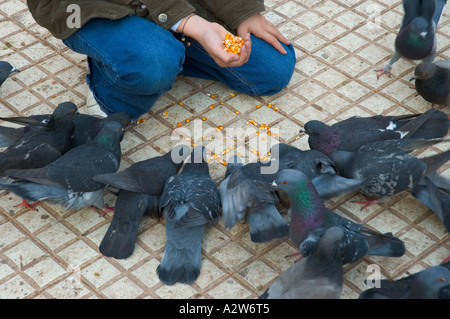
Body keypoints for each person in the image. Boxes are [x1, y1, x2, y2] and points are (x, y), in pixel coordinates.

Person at [27, 1, 296, 119]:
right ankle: (130, 63)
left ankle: (162, 51)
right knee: (152, 62)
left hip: (170, 5)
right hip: (83, 7)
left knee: (272, 69)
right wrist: (193, 24)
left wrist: (241, 10)